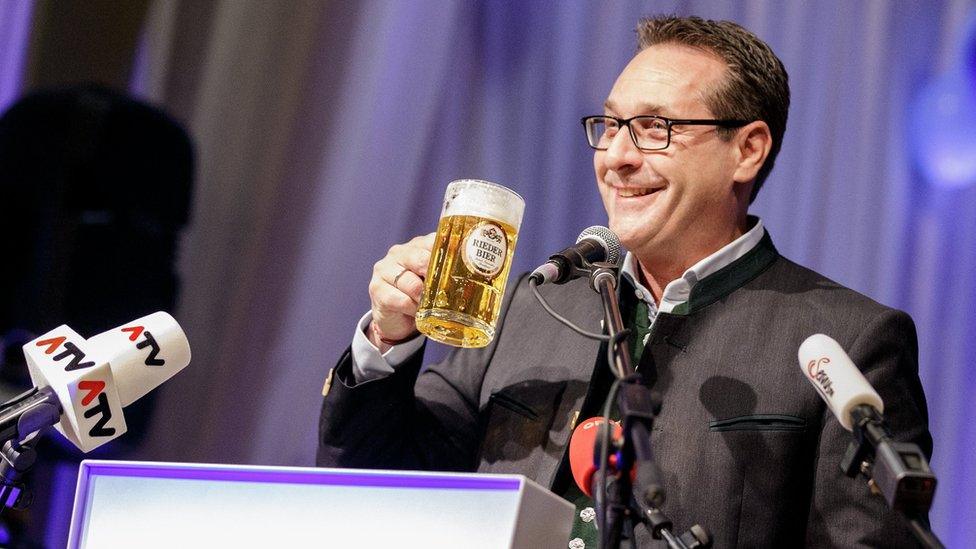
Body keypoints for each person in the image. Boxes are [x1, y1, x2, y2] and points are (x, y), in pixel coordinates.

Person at [317, 15, 931, 547]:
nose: (617, 157)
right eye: (611, 126)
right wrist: (388, 343)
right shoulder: (535, 301)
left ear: (747, 149)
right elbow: (384, 487)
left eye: (655, 128)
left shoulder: (844, 339)